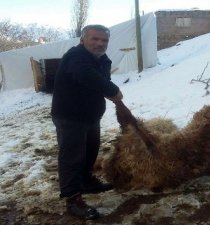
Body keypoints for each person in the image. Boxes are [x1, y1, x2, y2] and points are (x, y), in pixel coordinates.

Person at [51, 24, 123, 220]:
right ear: (83, 40)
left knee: (90, 151)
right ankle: (73, 199)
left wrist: (108, 92)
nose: (100, 43)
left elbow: (101, 81)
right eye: (95, 39)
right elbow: (85, 75)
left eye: (104, 40)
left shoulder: (103, 60)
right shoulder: (76, 57)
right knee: (72, 157)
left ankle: (86, 181)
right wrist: (112, 90)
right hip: (70, 116)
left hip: (91, 116)